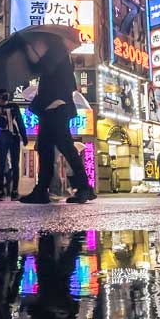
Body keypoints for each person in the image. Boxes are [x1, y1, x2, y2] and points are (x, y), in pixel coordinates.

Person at [20, 38, 94, 204]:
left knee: (65, 148)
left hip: (56, 107)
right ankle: (43, 190)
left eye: (40, 43)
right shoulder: (58, 53)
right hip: (52, 108)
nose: (39, 44)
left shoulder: (55, 52)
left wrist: (30, 52)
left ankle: (83, 188)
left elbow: (38, 68)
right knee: (46, 150)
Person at [0, 89, 28, 201]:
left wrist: (24, 136)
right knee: (1, 164)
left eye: (6, 95)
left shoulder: (14, 106)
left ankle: (14, 191)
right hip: (2, 136)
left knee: (15, 164)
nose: (5, 97)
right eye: (3, 95)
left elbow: (20, 121)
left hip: (14, 136)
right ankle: (1, 191)